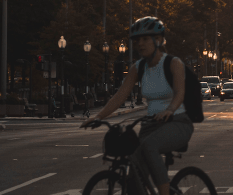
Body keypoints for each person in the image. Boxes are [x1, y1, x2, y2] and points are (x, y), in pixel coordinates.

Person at [82, 17, 192, 195]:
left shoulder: (173, 63)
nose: (140, 44)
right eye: (136, 40)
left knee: (149, 147)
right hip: (150, 126)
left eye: (145, 39)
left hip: (177, 122)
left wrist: (169, 110)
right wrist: (98, 116)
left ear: (158, 40)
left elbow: (180, 92)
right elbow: (119, 96)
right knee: (133, 171)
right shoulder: (138, 67)